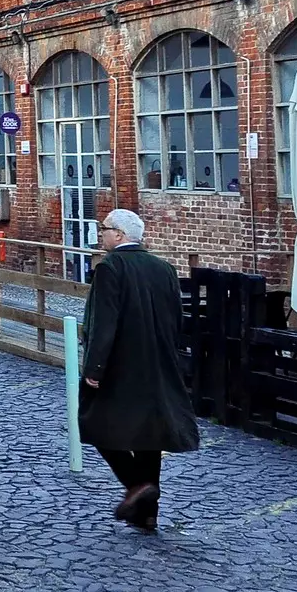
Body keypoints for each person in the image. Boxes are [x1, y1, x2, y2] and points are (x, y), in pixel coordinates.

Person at [80, 208, 199, 531]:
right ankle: (147, 513)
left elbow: (104, 321)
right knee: (150, 435)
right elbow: (177, 318)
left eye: (104, 229)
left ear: (119, 235)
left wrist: (96, 366)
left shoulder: (110, 267)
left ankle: (137, 486)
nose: (100, 234)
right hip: (159, 361)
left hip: (121, 363)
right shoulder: (163, 268)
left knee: (97, 424)